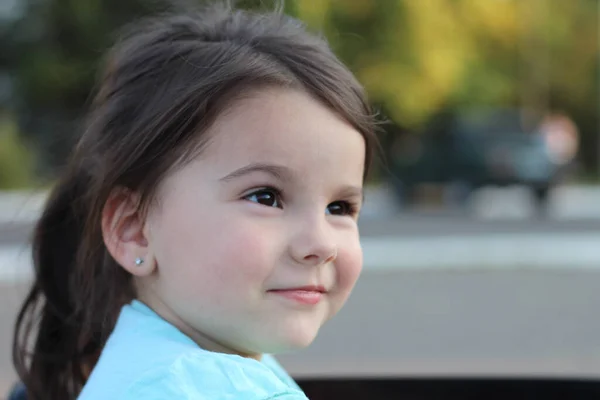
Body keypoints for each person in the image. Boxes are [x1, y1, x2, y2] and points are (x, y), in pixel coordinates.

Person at [12, 2, 378, 399]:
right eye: (266, 197)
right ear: (134, 229)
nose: (321, 245)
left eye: (339, 207)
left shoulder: (181, 367)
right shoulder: (192, 387)